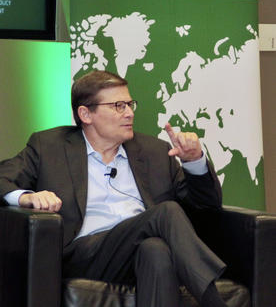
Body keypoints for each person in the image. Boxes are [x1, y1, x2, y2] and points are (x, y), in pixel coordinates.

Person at [0, 70, 228, 307]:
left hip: (134, 256)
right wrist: (26, 197)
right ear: (86, 114)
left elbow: (207, 206)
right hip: (85, 255)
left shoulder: (155, 151)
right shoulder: (49, 147)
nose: (129, 113)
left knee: (156, 250)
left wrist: (194, 161)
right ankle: (214, 302)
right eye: (118, 106)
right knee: (166, 212)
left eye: (130, 104)